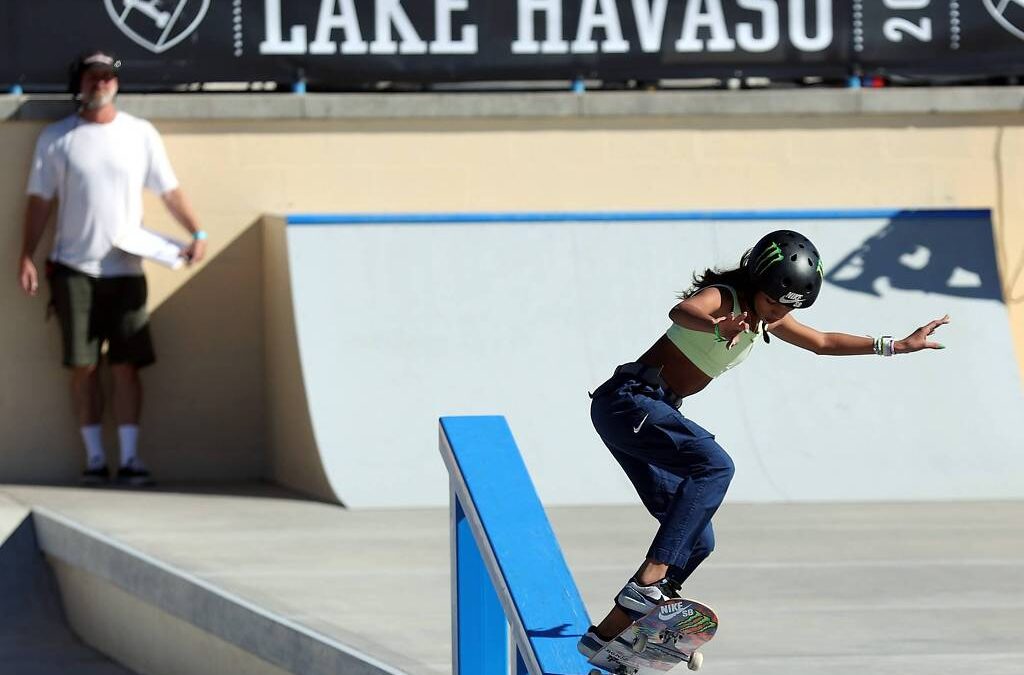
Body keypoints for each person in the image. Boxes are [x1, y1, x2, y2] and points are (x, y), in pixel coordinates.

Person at [577, 229, 949, 656]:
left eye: (785, 308)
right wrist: (715, 324)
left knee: (698, 539)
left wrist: (896, 345)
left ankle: (610, 633)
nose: (775, 313)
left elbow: (823, 343)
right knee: (715, 465)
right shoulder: (725, 297)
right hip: (630, 403)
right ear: (757, 280)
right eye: (772, 302)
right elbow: (682, 311)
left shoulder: (769, 316)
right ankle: (647, 584)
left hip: (647, 415)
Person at [17, 50, 207, 486]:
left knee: (126, 366)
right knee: (83, 366)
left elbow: (169, 190)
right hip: (73, 269)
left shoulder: (140, 134)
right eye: (92, 77)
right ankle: (96, 459)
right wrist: (26, 254)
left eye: (107, 77)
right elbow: (40, 201)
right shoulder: (56, 138)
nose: (100, 84)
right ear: (78, 84)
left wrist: (196, 231)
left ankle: (132, 459)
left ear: (117, 85)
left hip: (126, 271)